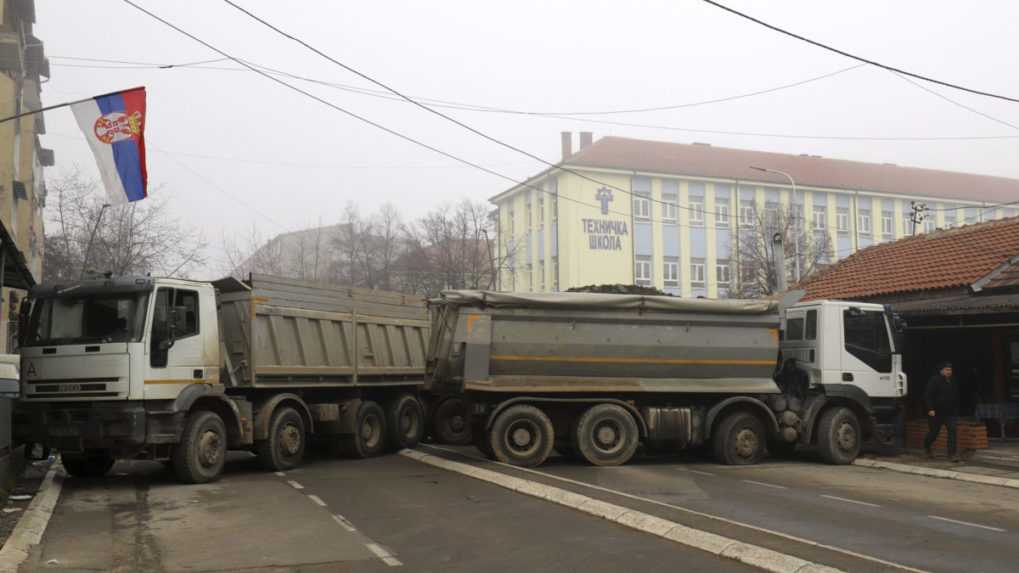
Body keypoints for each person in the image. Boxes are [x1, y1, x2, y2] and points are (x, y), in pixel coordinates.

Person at [924, 362, 960, 462]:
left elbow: (956, 395)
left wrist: (956, 409)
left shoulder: (953, 380)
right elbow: (928, 396)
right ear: (941, 371)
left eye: (950, 370)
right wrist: (930, 409)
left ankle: (952, 454)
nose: (949, 372)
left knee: (952, 431)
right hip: (936, 413)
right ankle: (927, 447)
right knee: (934, 433)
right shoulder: (934, 380)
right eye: (947, 370)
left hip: (950, 413)